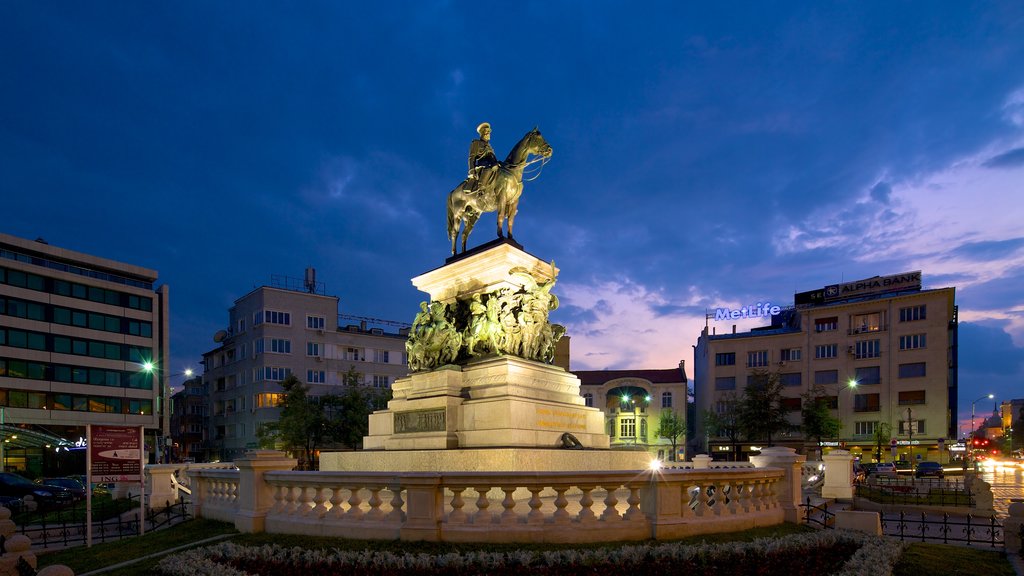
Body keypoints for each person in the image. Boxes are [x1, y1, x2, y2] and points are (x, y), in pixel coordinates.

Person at [467, 122, 499, 192]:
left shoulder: (490, 147)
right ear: (482, 133)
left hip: (492, 165)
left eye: (489, 132)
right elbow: (471, 157)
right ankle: (480, 190)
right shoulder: (476, 143)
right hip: (482, 166)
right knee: (488, 169)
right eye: (487, 131)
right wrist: (471, 171)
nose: (488, 134)